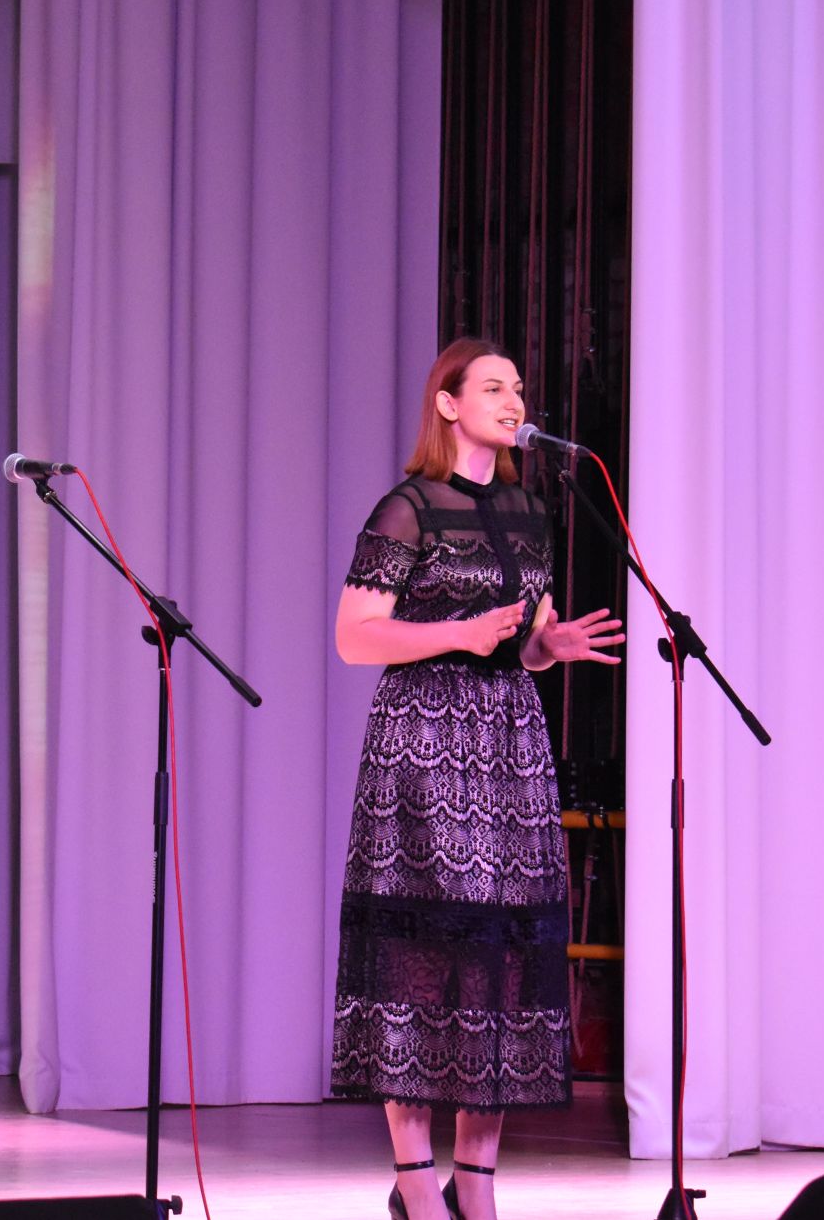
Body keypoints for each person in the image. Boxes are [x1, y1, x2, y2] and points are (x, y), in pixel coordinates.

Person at [332, 338, 625, 1220]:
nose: (513, 399)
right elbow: (355, 636)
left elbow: (518, 642)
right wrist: (457, 634)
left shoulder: (531, 510)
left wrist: (546, 646)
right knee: (425, 957)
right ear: (449, 404)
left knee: (502, 958)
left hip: (509, 742)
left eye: (518, 387)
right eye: (493, 386)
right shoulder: (409, 507)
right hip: (424, 743)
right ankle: (416, 1184)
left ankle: (478, 1185)